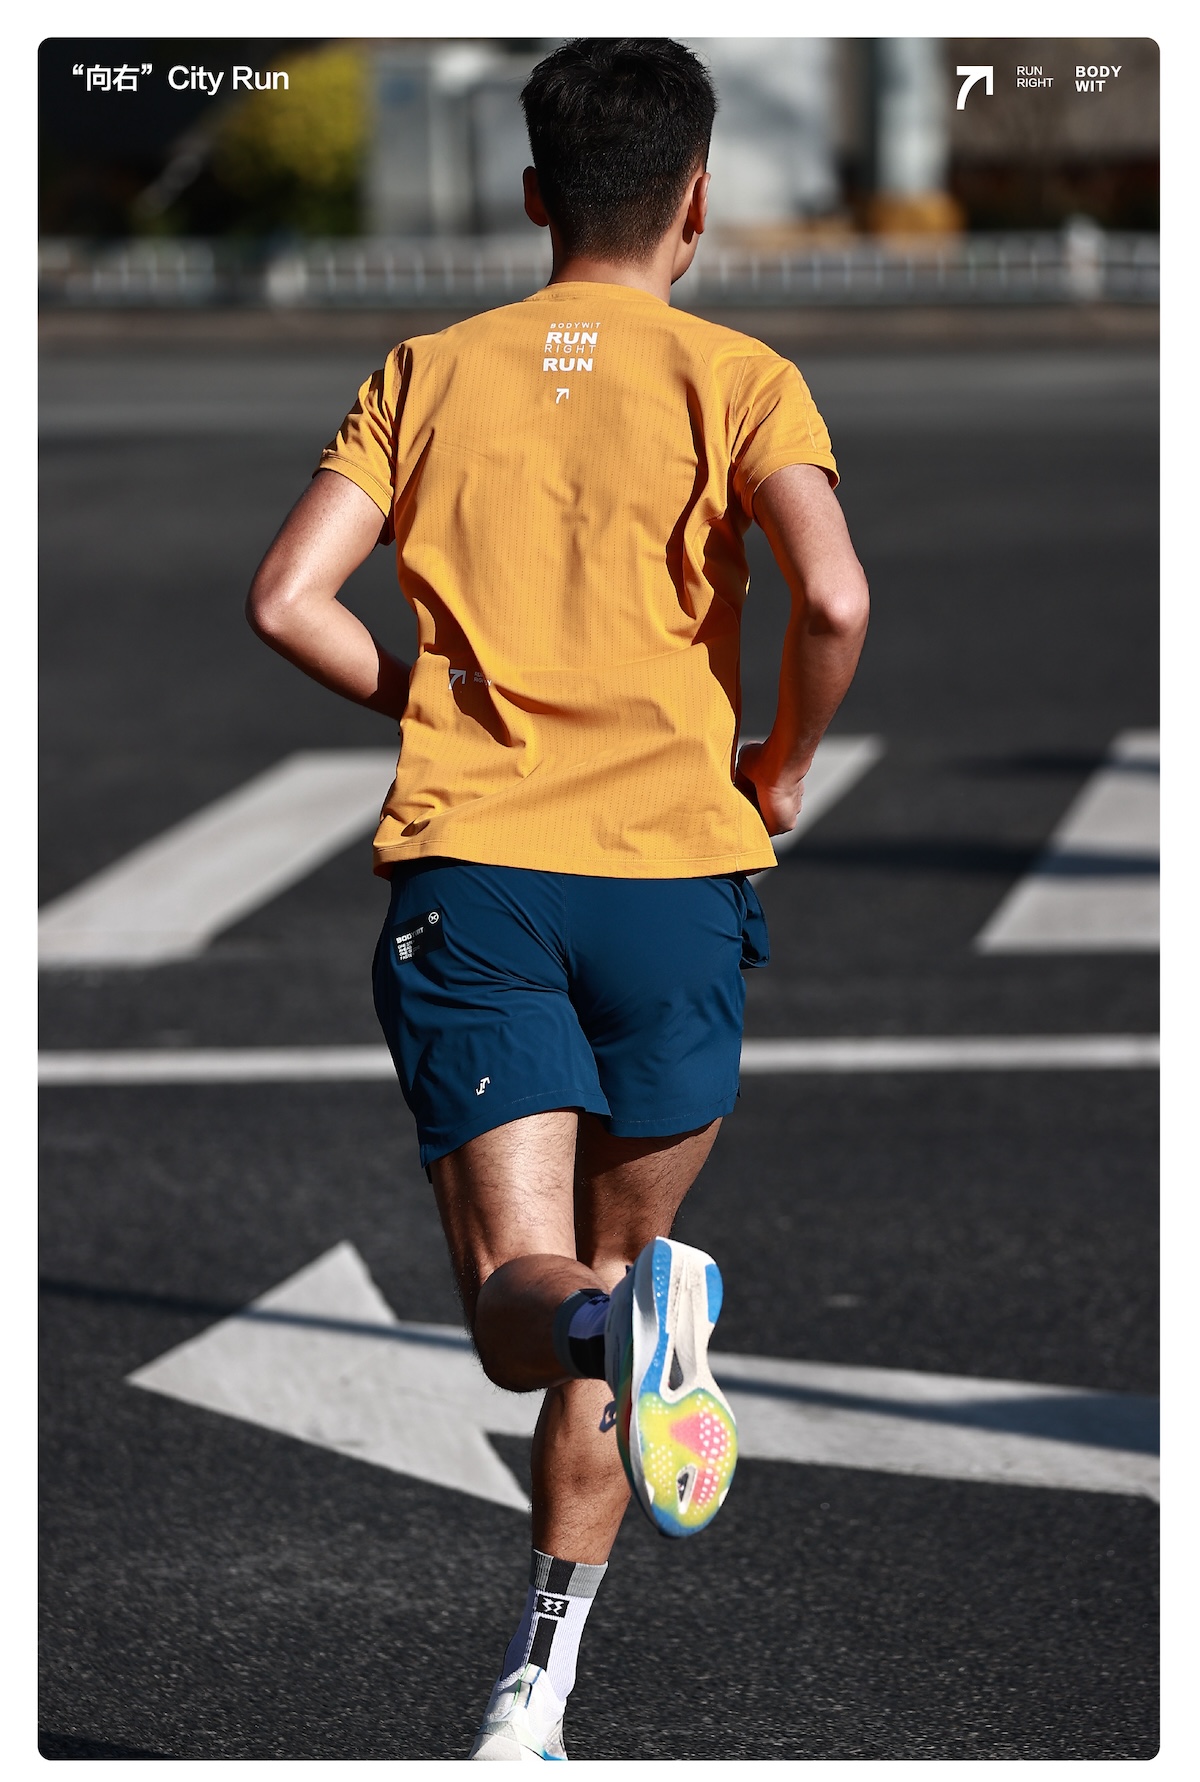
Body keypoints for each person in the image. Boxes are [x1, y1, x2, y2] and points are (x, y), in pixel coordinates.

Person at [246, 37, 869, 1762]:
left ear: (532, 194)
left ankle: (608, 1360)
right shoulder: (743, 374)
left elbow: (287, 597)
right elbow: (831, 599)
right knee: (619, 1274)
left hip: (483, 875)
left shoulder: (428, 369)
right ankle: (540, 1684)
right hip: (678, 879)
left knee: (534, 1312)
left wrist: (431, 702)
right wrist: (784, 766)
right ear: (697, 202)